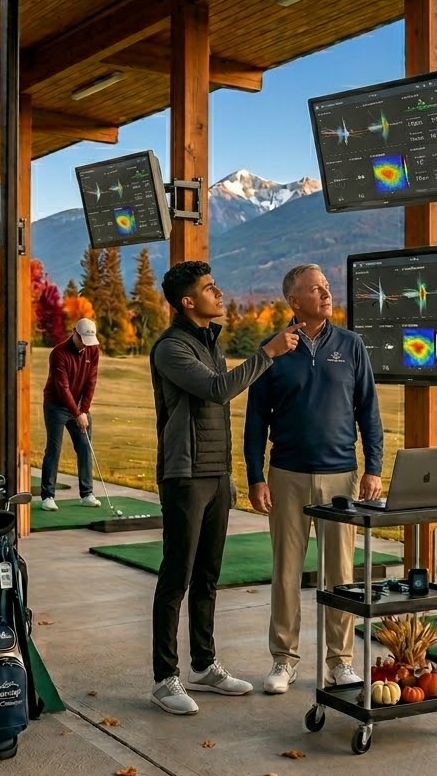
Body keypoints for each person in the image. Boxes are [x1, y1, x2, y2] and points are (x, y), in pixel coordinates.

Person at [149, 260, 302, 715]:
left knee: (208, 577)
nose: (219, 293)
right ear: (187, 301)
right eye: (209, 288)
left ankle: (203, 665)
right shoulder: (170, 348)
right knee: (176, 577)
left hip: (215, 474)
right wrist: (267, 353)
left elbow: (215, 410)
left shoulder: (208, 342)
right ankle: (165, 678)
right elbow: (217, 390)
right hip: (184, 475)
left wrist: (228, 475)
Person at [244, 264, 384, 695]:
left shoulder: (351, 345)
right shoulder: (272, 350)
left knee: (340, 574)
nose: (326, 293)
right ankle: (283, 659)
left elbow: (368, 410)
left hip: (341, 476)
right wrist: (255, 477)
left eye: (326, 287)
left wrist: (374, 467)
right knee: (286, 571)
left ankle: (340, 661)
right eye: (315, 289)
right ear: (294, 301)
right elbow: (255, 421)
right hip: (286, 475)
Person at [39, 317, 101, 511]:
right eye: (82, 339)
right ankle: (48, 496)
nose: (85, 344)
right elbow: (62, 388)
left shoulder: (93, 350)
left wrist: (84, 411)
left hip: (80, 406)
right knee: (54, 449)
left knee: (84, 447)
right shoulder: (59, 353)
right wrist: (77, 413)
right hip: (56, 405)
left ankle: (87, 494)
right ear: (74, 332)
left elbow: (91, 381)